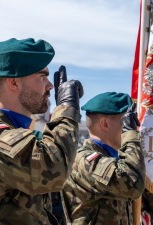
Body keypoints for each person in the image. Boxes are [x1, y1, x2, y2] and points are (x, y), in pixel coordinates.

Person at [0, 38, 84, 225]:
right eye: (42, 77)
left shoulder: (13, 133)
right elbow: (53, 168)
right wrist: (67, 108)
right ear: (14, 83)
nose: (50, 86)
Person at [61, 92, 145, 224]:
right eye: (127, 122)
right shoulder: (85, 160)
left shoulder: (116, 161)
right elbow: (132, 185)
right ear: (105, 124)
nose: (134, 129)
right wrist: (130, 136)